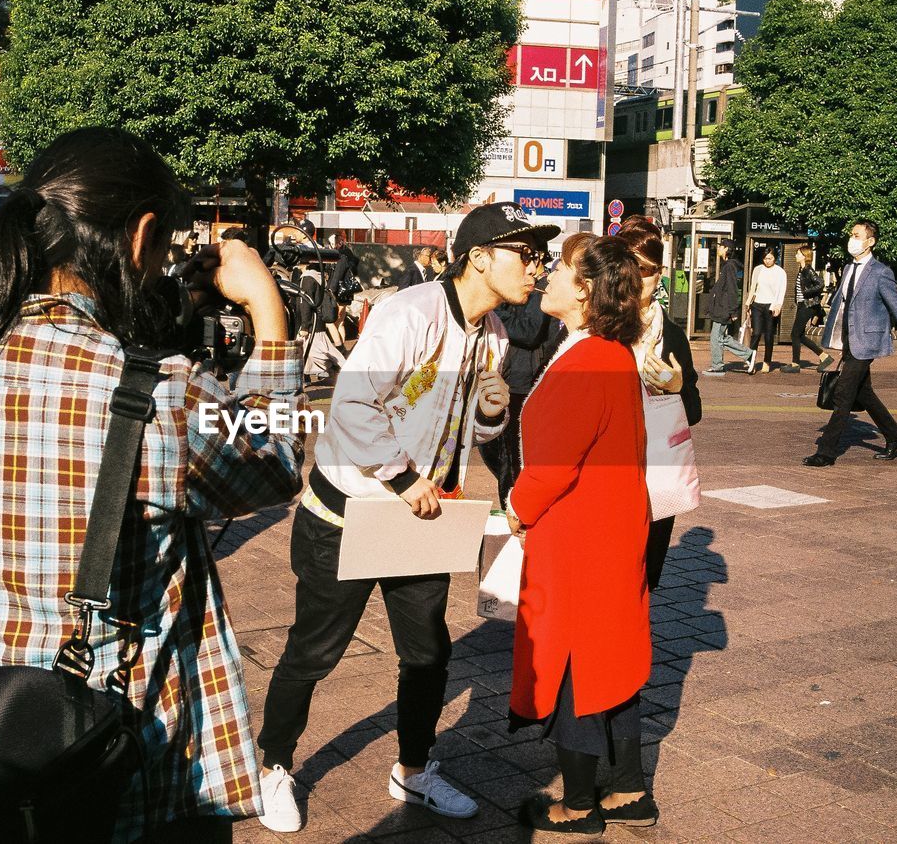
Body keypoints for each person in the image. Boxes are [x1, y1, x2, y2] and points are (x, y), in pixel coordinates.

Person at [0, 127, 306, 841]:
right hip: (112, 754)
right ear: (142, 234)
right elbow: (272, 462)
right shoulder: (154, 398)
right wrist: (270, 320)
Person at [256, 201, 555, 834]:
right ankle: (274, 765)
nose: (536, 266)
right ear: (480, 258)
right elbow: (353, 403)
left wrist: (492, 412)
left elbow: (474, 421)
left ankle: (414, 770)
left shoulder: (494, 334)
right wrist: (404, 476)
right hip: (349, 510)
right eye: (524, 254)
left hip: (424, 517)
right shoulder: (409, 313)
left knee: (427, 654)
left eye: (537, 256)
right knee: (314, 652)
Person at [505, 234, 654, 835]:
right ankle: (627, 791)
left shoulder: (589, 357)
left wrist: (516, 508)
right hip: (607, 531)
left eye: (560, 269)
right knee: (610, 660)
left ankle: (580, 805)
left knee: (574, 667)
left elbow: (552, 465)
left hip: (578, 537)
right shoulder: (606, 351)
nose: (547, 276)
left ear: (585, 289)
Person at [803, 219, 897, 467]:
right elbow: (841, 305)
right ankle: (895, 437)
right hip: (849, 340)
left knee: (843, 393)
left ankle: (826, 452)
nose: (852, 240)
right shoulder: (848, 269)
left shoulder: (881, 272)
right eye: (852, 235)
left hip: (867, 341)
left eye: (857, 236)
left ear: (870, 242)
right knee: (864, 393)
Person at [619, 228, 701, 591]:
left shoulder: (671, 335)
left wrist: (676, 389)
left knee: (644, 579)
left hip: (655, 472)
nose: (639, 279)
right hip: (605, 471)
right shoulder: (593, 326)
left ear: (660, 274)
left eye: (648, 270)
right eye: (631, 267)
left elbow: (694, 410)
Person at [478, 239, 570, 506]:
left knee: (512, 459)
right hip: (512, 378)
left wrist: (493, 310)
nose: (527, 269)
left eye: (530, 259)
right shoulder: (519, 292)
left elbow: (528, 331)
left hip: (522, 382)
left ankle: (514, 508)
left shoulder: (540, 289)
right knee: (499, 453)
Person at [705, 240, 757, 375]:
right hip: (722, 307)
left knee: (716, 337)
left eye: (720, 247)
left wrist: (733, 310)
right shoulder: (728, 265)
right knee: (721, 337)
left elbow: (732, 289)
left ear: (726, 249)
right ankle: (748, 354)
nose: (718, 249)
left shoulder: (729, 266)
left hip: (724, 308)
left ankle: (717, 366)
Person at [782, 246, 832, 373]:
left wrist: (806, 292)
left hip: (808, 305)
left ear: (805, 256)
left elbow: (820, 283)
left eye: (798, 254)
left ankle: (795, 364)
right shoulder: (802, 270)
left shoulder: (808, 270)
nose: (796, 256)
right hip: (802, 304)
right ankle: (824, 357)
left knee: (794, 334)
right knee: (800, 335)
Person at [745, 248, 787, 372]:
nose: (767, 261)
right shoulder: (758, 269)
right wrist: (748, 303)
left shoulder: (780, 272)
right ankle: (750, 361)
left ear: (775, 258)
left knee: (769, 335)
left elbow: (782, 290)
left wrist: (778, 305)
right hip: (757, 304)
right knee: (756, 333)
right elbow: (753, 287)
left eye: (770, 258)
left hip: (771, 305)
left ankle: (767, 361)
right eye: (765, 258)